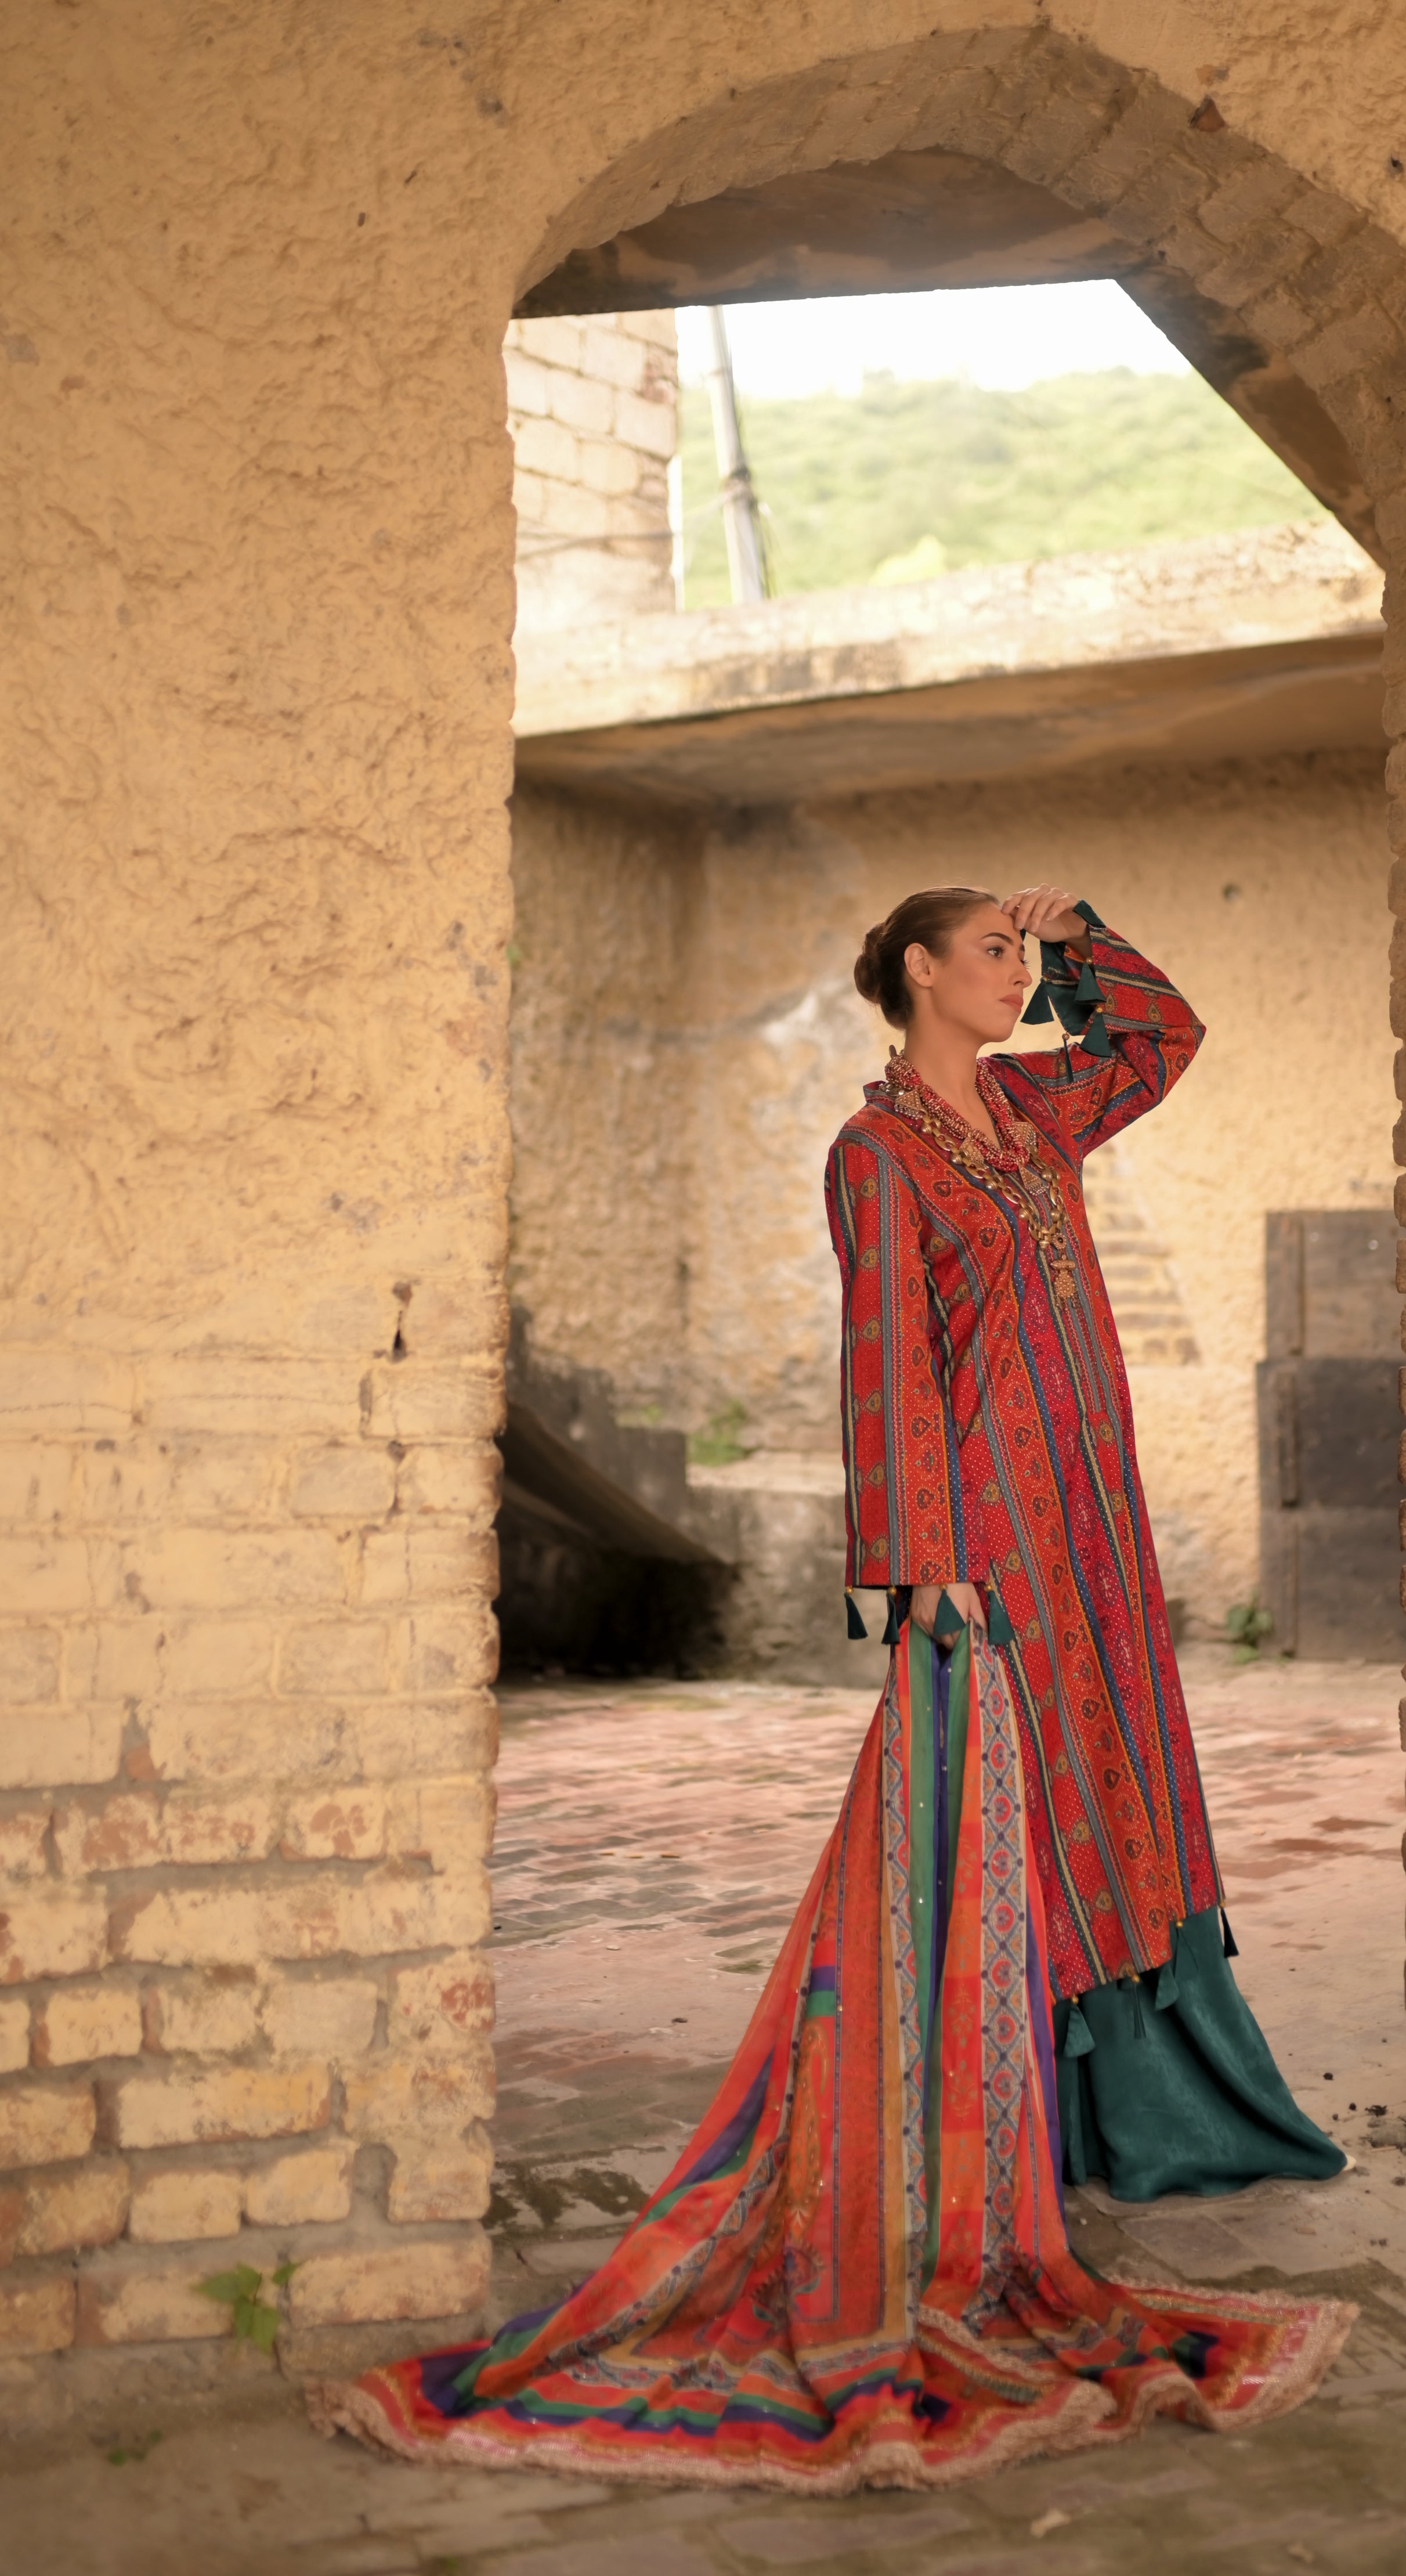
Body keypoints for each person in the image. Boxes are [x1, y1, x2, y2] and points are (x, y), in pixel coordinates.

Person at [310, 886, 1353, 2494]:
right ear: (918, 972)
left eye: (1026, 960)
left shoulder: (1040, 1104)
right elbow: (886, 1355)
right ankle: (980, 2128)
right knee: (990, 1814)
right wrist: (915, 1558)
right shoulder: (880, 1157)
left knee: (1113, 1788)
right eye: (995, 953)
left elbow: (1166, 1037)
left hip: (1095, 1516)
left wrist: (1080, 931)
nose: (1019, 979)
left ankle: (1123, 2110)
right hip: (992, 1538)